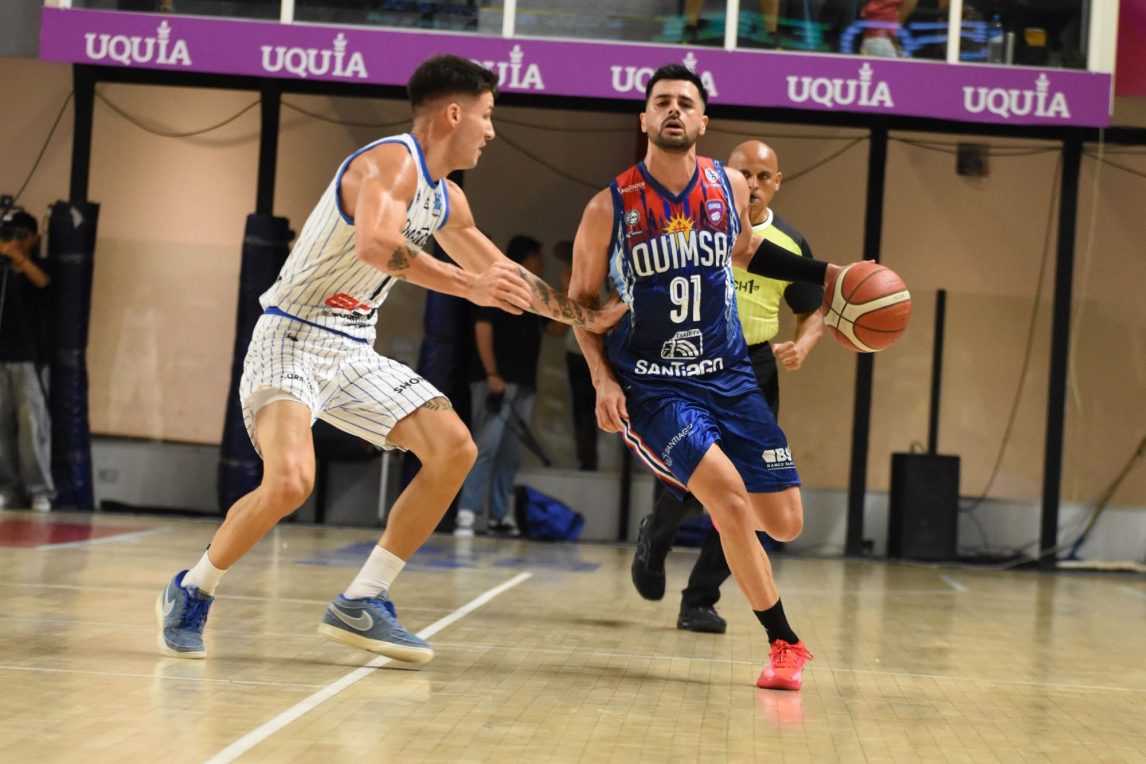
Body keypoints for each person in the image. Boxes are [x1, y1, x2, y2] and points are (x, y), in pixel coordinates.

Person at [156, 55, 625, 663]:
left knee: (455, 447)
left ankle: (363, 599)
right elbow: (377, 245)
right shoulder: (388, 161)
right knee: (292, 482)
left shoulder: (448, 200)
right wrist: (467, 287)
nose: (490, 130)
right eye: (485, 116)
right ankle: (193, 589)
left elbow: (501, 276)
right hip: (291, 336)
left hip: (352, 350)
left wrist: (587, 318)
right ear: (455, 112)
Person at [569, 64, 843, 691]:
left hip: (731, 374)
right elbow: (582, 307)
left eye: (684, 103)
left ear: (702, 121)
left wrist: (828, 272)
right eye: (661, 102)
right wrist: (602, 381)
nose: (673, 111)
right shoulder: (606, 207)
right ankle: (784, 644)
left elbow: (745, 251)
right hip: (655, 386)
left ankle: (710, 540)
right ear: (643, 119)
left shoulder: (726, 183)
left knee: (786, 523)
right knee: (727, 496)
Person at [630, 140, 824, 637]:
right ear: (727, 177)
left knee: (747, 492)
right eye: (745, 174)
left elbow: (811, 309)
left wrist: (803, 345)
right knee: (688, 485)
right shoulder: (696, 224)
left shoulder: (789, 242)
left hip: (752, 366)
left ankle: (699, 600)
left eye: (764, 176)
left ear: (777, 182)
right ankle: (656, 537)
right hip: (690, 362)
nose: (754, 185)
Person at [455, 235, 546, 537]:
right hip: (494, 380)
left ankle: (499, 515)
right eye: (537, 258)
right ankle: (467, 512)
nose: (540, 265)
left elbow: (557, 329)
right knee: (485, 446)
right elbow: (483, 328)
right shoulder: (500, 284)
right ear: (525, 259)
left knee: (510, 452)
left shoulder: (534, 294)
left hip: (524, 382)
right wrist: (492, 373)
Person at [0, 209, 54, 513]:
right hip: (1, 359)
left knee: (32, 426)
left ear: (33, 238)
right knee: (1, 428)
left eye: (22, 235)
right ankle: (7, 489)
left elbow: (43, 282)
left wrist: (18, 258)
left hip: (30, 360)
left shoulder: (40, 266)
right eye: (10, 235)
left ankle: (39, 491)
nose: (15, 241)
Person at [554, 240, 602, 471]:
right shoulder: (568, 278)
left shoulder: (602, 274)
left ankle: (598, 458)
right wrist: (566, 291)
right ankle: (587, 459)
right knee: (582, 409)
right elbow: (556, 327)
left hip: (604, 349)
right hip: (576, 353)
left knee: (604, 406)